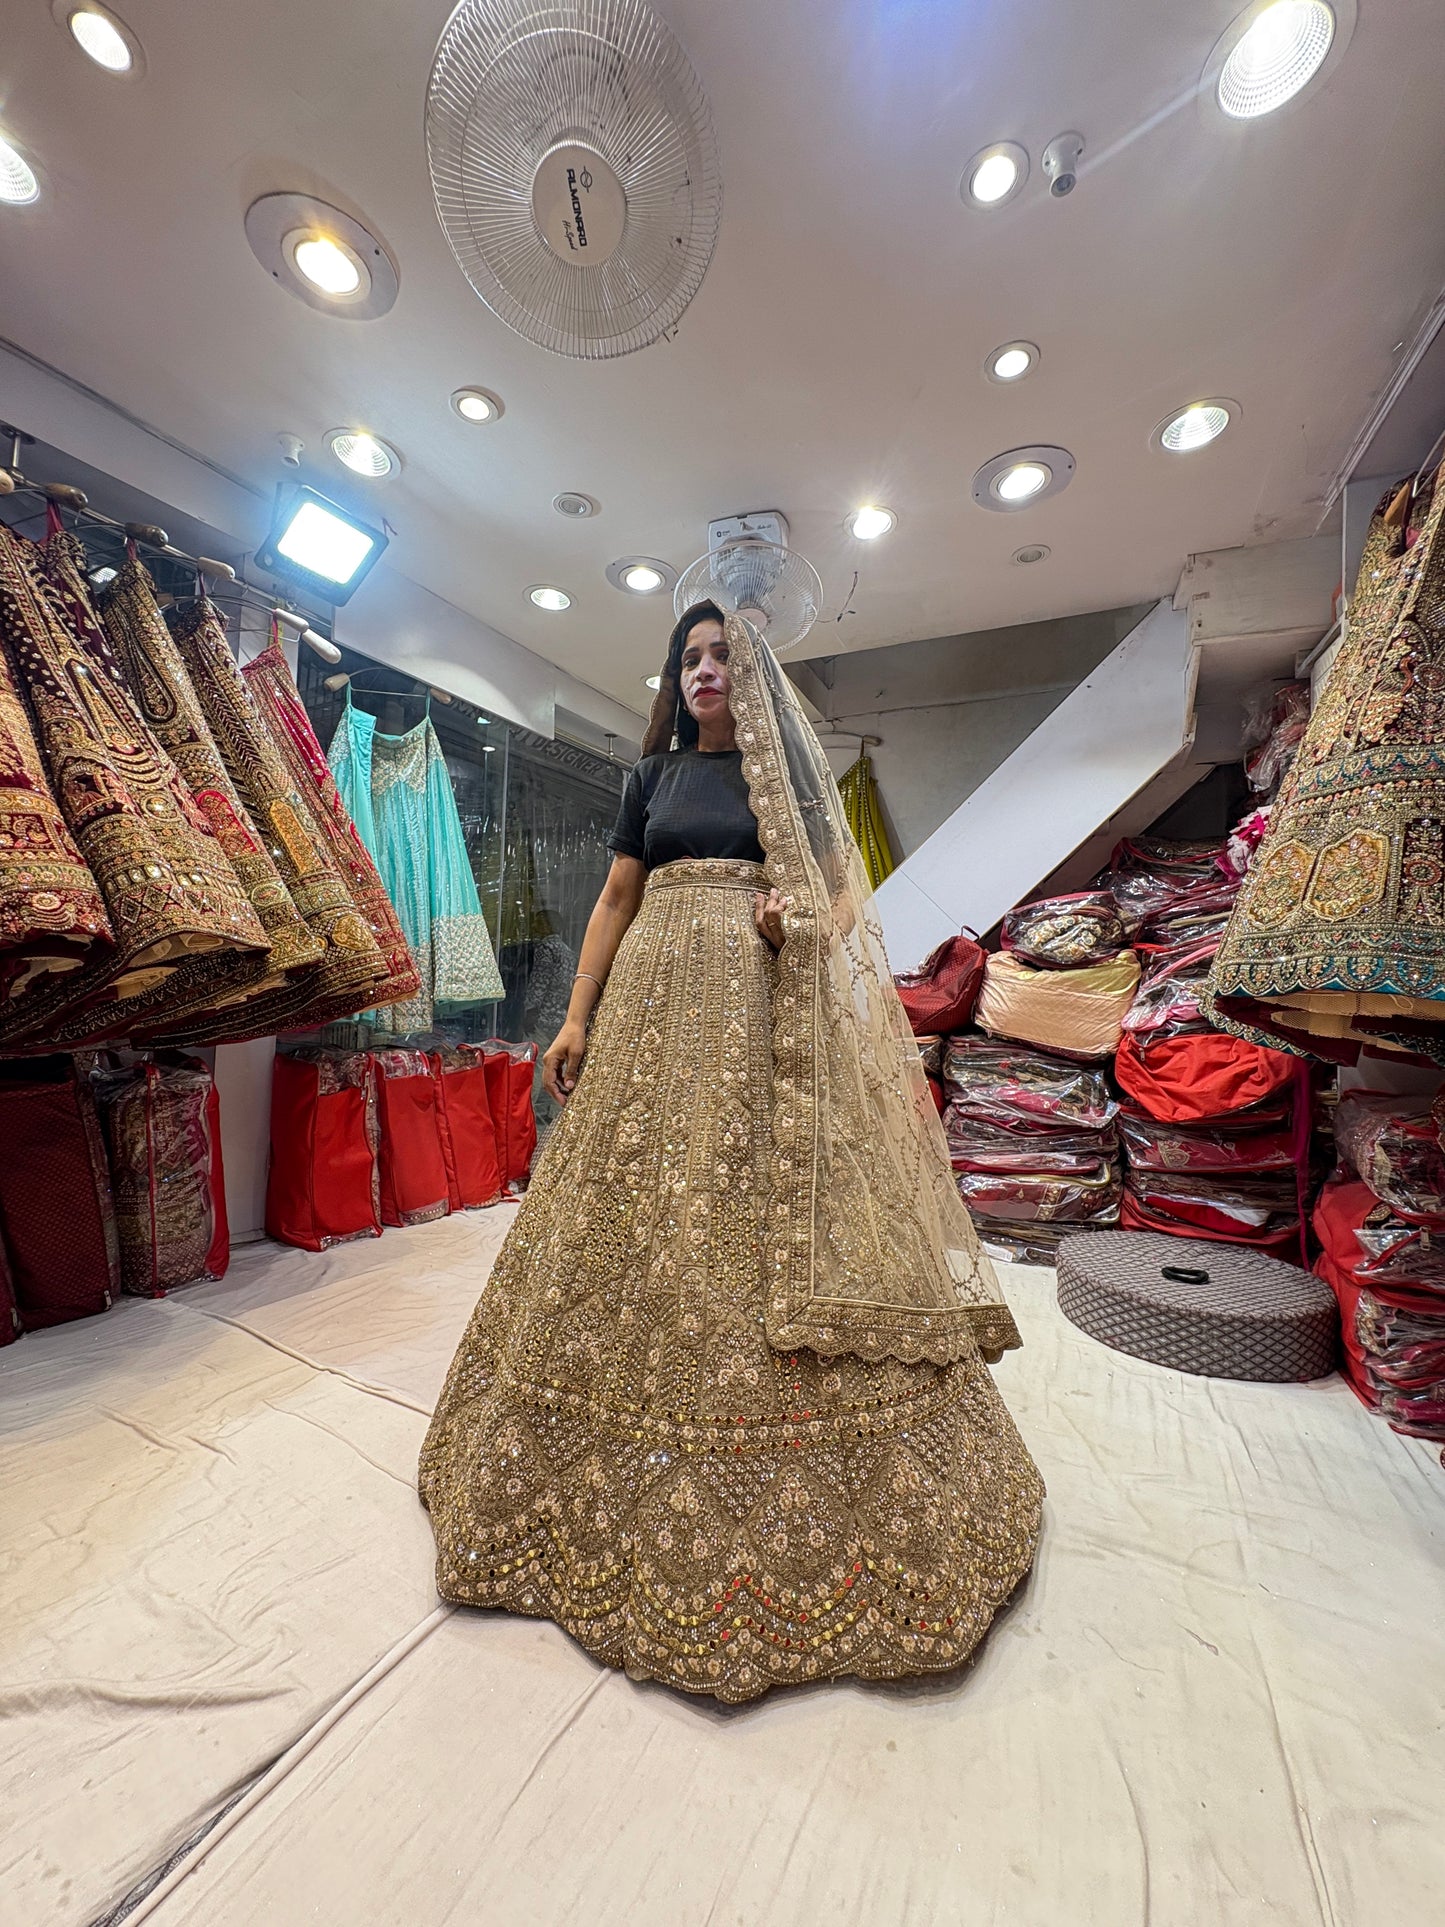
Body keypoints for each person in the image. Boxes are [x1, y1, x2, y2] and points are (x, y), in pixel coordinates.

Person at [420, 602, 1043, 1702]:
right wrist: (573, 1018)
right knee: (627, 1210)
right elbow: (614, 894)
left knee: (751, 1207)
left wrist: (790, 917)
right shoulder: (650, 778)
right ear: (676, 676)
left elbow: (842, 893)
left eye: (722, 656)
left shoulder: (783, 790)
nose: (704, 669)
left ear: (749, 679)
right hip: (649, 1016)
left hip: (759, 1028)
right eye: (689, 656)